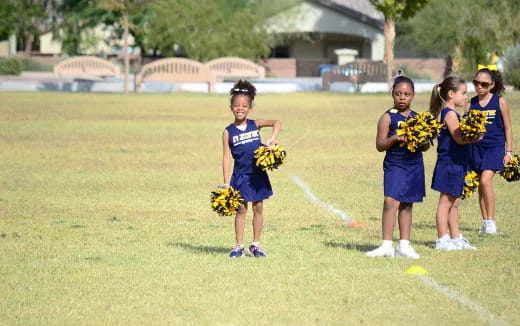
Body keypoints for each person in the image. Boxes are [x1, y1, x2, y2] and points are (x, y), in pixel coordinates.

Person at [367, 76, 426, 259]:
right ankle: (386, 245)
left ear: (413, 95)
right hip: (395, 164)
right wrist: (394, 138)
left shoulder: (418, 118)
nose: (402, 97)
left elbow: (426, 146)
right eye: (398, 93)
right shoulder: (388, 117)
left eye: (407, 94)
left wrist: (423, 140)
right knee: (391, 202)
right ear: (392, 93)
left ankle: (404, 246)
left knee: (407, 204)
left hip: (414, 165)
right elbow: (379, 145)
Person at [222, 80, 281, 258]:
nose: (240, 108)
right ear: (231, 107)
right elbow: (226, 157)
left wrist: (271, 139)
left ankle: (255, 245)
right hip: (239, 175)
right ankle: (238, 246)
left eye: (244, 106)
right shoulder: (228, 132)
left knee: (258, 208)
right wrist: (226, 183)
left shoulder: (255, 124)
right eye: (237, 106)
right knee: (240, 210)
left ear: (250, 108)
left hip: (257, 175)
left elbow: (277, 122)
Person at [430, 76, 481, 250]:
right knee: (446, 201)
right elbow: (459, 139)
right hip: (449, 163)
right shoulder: (450, 114)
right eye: (463, 93)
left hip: (457, 163)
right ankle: (442, 239)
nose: (466, 97)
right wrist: (476, 137)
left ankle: (456, 237)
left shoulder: (453, 113)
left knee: (455, 202)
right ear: (451, 94)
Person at [467, 66, 514, 234]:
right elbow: (466, 130)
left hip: (494, 148)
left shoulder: (499, 102)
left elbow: (508, 127)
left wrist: (509, 151)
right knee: (481, 184)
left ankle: (492, 221)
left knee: (486, 181)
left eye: (484, 84)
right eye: (476, 83)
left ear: (492, 85)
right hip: (475, 149)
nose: (479, 86)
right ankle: (485, 222)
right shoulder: (470, 104)